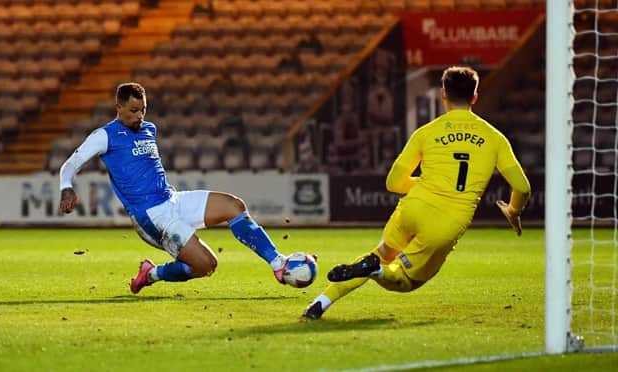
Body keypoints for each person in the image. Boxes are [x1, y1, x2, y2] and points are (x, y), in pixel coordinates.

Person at [303, 66, 531, 319]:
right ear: (475, 97)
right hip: (447, 222)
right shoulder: (495, 138)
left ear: (443, 94)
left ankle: (320, 303)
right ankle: (375, 271)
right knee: (404, 281)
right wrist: (513, 211)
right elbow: (522, 187)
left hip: (414, 207)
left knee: (381, 253)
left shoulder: (426, 133)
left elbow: (393, 182)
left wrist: (424, 185)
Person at [58, 82, 288, 294]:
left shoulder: (149, 129)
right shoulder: (104, 136)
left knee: (234, 206)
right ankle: (152, 274)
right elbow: (72, 163)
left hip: (172, 199)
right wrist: (66, 187)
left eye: (143, 110)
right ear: (118, 107)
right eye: (133, 110)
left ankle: (278, 263)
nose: (140, 116)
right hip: (151, 216)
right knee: (207, 265)